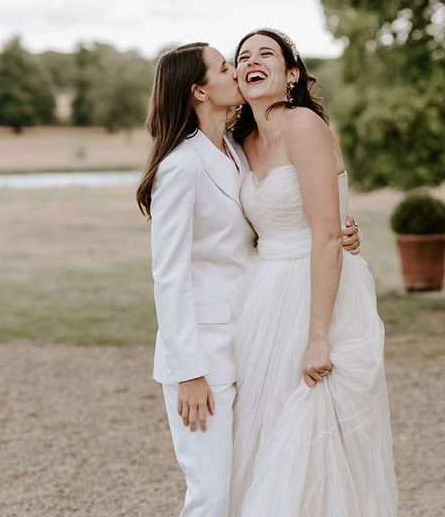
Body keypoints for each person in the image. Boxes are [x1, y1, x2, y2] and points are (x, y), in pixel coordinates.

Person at [136, 41, 361, 517]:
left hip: (256, 337)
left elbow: (272, 225)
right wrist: (189, 372)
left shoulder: (238, 150)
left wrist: (341, 230)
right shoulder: (179, 167)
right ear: (200, 91)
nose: (237, 71)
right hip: (204, 355)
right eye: (226, 66)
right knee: (211, 496)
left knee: (251, 483)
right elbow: (169, 276)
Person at [229, 28, 398, 516]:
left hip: (316, 289)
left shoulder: (303, 125)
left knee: (315, 434)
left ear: (291, 75)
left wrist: (318, 336)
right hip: (265, 296)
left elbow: (327, 236)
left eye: (267, 54)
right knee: (266, 432)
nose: (252, 61)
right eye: (243, 57)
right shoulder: (242, 140)